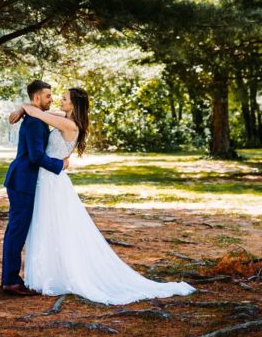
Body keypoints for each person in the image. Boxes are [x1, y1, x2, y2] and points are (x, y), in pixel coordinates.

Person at [11, 87, 195, 305]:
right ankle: (49, 273)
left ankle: (58, 275)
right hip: (47, 180)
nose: (60, 100)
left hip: (51, 181)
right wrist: (23, 109)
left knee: (53, 225)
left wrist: (24, 108)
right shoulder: (65, 119)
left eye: (65, 98)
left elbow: (38, 113)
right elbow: (41, 112)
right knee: (47, 226)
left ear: (74, 104)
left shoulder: (69, 125)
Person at [1, 80, 68, 295]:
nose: (52, 100)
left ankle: (10, 279)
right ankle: (11, 281)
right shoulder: (34, 123)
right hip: (23, 181)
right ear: (37, 98)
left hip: (24, 180)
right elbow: (36, 156)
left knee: (16, 229)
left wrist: (23, 108)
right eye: (48, 96)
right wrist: (60, 165)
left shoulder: (37, 117)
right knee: (16, 230)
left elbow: (64, 114)